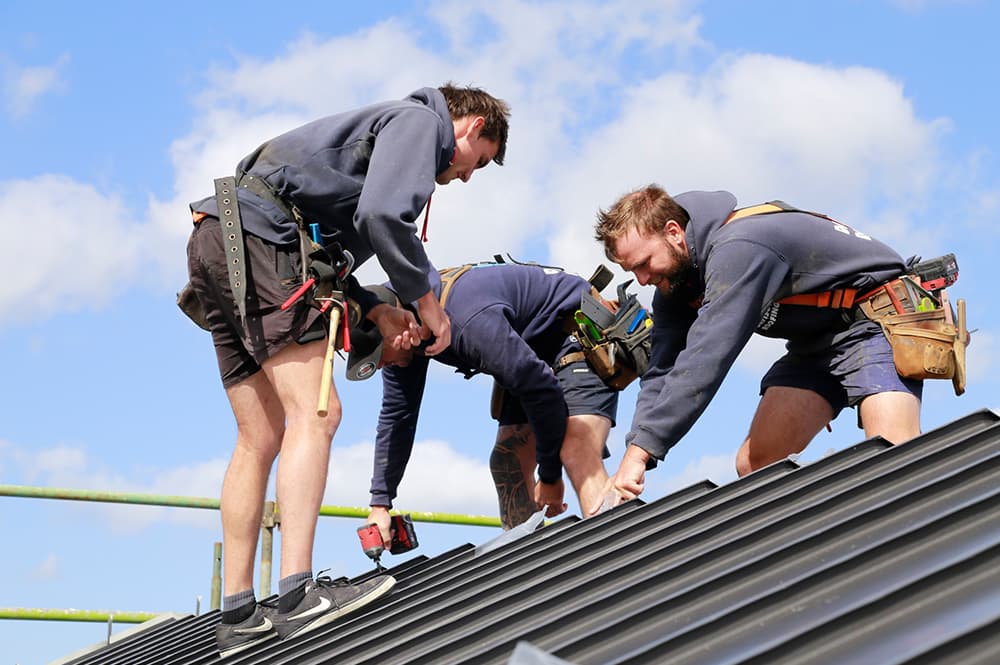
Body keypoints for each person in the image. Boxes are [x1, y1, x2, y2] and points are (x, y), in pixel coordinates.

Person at [183, 83, 510, 657]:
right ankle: (297, 595)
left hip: (222, 236)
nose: (464, 177)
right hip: (261, 240)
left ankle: (238, 614)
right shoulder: (419, 123)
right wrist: (428, 303)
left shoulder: (375, 141)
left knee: (259, 434)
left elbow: (326, 254)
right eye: (477, 163)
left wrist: (378, 309)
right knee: (317, 413)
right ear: (471, 126)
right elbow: (383, 216)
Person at [592, 185, 924, 510]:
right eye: (632, 270)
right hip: (815, 342)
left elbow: (705, 358)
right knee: (757, 464)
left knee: (891, 455)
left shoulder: (739, 247)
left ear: (674, 232)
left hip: (875, 317)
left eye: (644, 263)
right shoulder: (677, 284)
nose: (642, 279)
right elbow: (661, 370)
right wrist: (637, 451)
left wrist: (643, 451)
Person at [346, 261, 631, 539]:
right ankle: (527, 562)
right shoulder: (406, 333)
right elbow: (398, 417)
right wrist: (380, 503)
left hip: (575, 332)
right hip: (526, 351)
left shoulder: (468, 321)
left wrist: (550, 477)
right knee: (507, 462)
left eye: (379, 354)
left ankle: (618, 552)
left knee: (576, 448)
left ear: (401, 324)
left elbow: (543, 391)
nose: (380, 365)